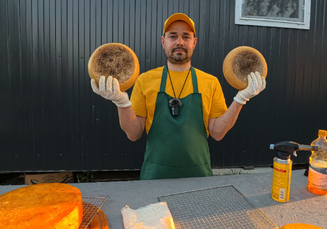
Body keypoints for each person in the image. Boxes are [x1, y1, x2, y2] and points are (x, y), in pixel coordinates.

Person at [91, 13, 266, 180]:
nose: (179, 42)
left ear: (194, 42)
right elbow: (134, 134)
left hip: (199, 175)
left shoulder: (210, 82)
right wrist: (121, 102)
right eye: (173, 36)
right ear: (163, 41)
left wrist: (240, 99)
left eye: (186, 36)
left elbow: (217, 133)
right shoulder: (145, 80)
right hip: (154, 175)